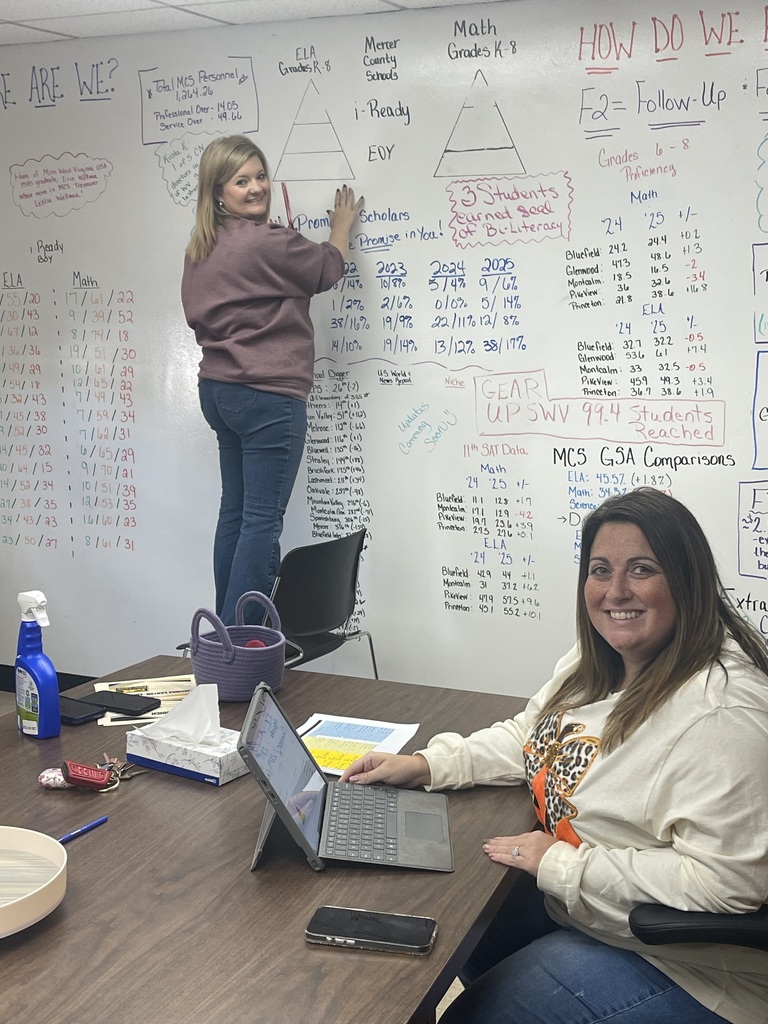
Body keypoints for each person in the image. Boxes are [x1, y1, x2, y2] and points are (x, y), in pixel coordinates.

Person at [341, 488, 768, 1024]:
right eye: (599, 569)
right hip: (599, 910)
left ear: (687, 580)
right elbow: (534, 734)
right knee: (450, 931)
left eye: (641, 570)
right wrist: (431, 764)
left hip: (693, 970)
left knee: (469, 1017)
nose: (614, 592)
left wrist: (561, 864)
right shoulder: (604, 656)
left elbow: (726, 885)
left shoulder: (720, 716)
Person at [181, 135, 363, 624]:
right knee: (261, 520)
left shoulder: (202, 246)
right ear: (218, 191)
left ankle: (220, 633)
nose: (256, 187)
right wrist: (341, 226)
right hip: (266, 396)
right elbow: (327, 268)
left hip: (219, 393)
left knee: (236, 515)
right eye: (242, 180)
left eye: (260, 176)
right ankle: (239, 641)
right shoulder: (264, 242)